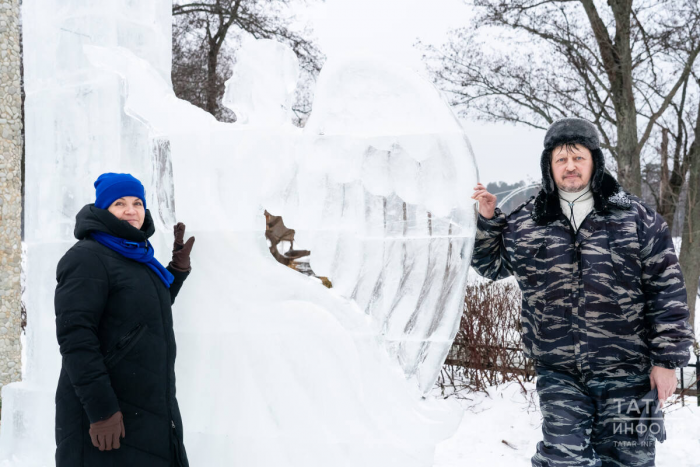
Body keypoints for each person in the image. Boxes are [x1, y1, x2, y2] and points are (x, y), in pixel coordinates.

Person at [470, 118, 694, 467]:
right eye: (561, 159)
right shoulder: (528, 221)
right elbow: (490, 266)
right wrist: (487, 221)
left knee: (628, 461)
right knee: (564, 459)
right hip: (559, 371)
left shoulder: (635, 218)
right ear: (549, 165)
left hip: (629, 372)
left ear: (595, 161)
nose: (570, 166)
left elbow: (667, 292)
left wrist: (666, 362)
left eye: (578, 158)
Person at [54, 172, 195, 467]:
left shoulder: (138, 256)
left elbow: (143, 314)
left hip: (150, 407)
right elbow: (76, 339)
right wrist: (102, 411)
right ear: (104, 209)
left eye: (137, 203)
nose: (131, 210)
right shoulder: (87, 258)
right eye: (119, 203)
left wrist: (176, 271)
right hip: (109, 412)